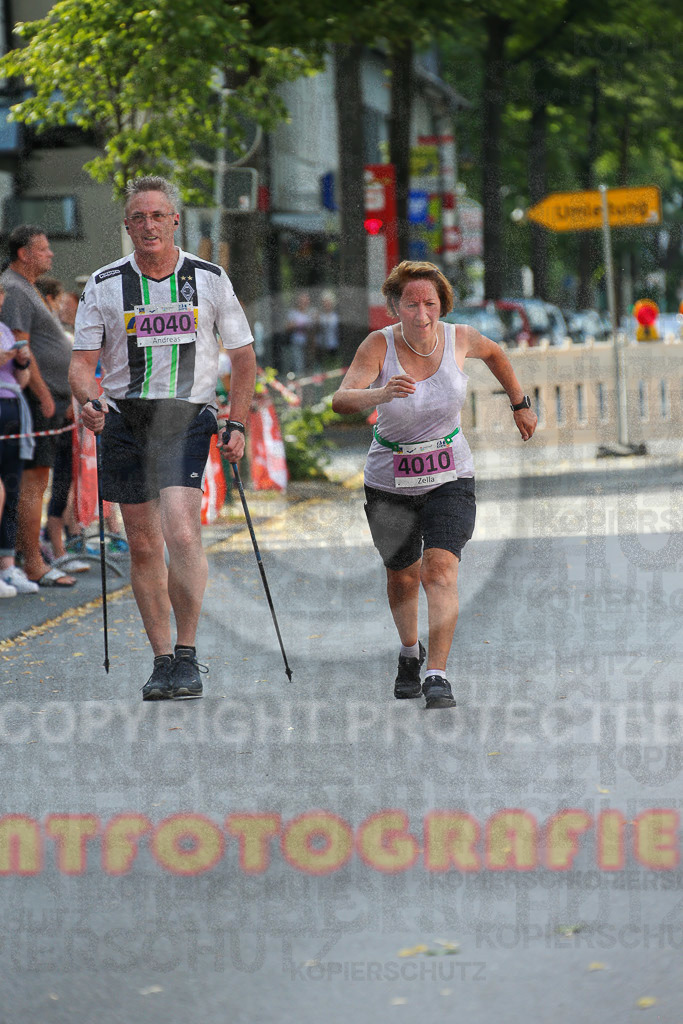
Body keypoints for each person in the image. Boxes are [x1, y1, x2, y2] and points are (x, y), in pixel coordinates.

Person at [69, 174, 256, 701]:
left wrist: (236, 421)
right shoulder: (105, 285)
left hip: (186, 415)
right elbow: (82, 366)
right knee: (145, 542)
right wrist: (90, 400)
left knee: (181, 530)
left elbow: (243, 359)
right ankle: (162, 660)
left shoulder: (210, 278)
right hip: (125, 417)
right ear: (127, 226)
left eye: (158, 215)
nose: (148, 225)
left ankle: (190, 653)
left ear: (175, 219)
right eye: (138, 217)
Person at [332, 260, 537, 709]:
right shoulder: (378, 346)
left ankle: (437, 674)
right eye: (411, 304)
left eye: (430, 303)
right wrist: (381, 393)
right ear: (395, 306)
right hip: (390, 479)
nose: (422, 314)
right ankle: (410, 653)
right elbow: (342, 400)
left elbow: (498, 355)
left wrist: (519, 403)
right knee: (402, 575)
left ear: (442, 304)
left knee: (439, 569)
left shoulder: (460, 338)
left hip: (450, 473)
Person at [0, 226, 77, 587]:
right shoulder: (14, 289)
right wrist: (46, 395)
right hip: (32, 399)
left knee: (39, 481)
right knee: (32, 482)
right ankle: (31, 561)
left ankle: (26, 557)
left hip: (51, 398)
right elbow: (21, 349)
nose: (51, 255)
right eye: (44, 249)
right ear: (23, 254)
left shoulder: (25, 287)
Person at [0, 281, 37, 596]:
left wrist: (22, 361)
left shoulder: (5, 330)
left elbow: (21, 379)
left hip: (12, 406)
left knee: (12, 487)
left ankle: (8, 565)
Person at [285, 290, 316, 378]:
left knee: (310, 365)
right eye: (301, 300)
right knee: (299, 365)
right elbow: (287, 327)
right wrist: (298, 325)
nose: (304, 302)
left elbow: (316, 326)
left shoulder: (312, 312)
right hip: (297, 343)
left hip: (310, 344)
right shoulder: (293, 313)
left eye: (305, 300)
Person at [316, 289, 340, 368]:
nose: (326, 304)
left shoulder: (336, 316)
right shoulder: (318, 315)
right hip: (321, 346)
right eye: (324, 302)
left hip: (333, 345)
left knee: (333, 366)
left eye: (328, 302)